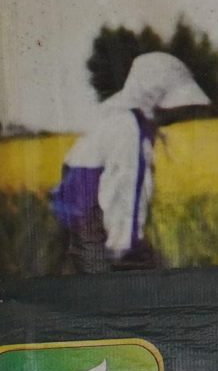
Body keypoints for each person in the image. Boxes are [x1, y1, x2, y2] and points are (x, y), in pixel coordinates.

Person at [52, 51, 208, 270]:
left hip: (79, 231)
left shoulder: (117, 119)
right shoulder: (129, 129)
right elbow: (124, 195)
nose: (177, 115)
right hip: (96, 238)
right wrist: (126, 253)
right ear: (156, 98)